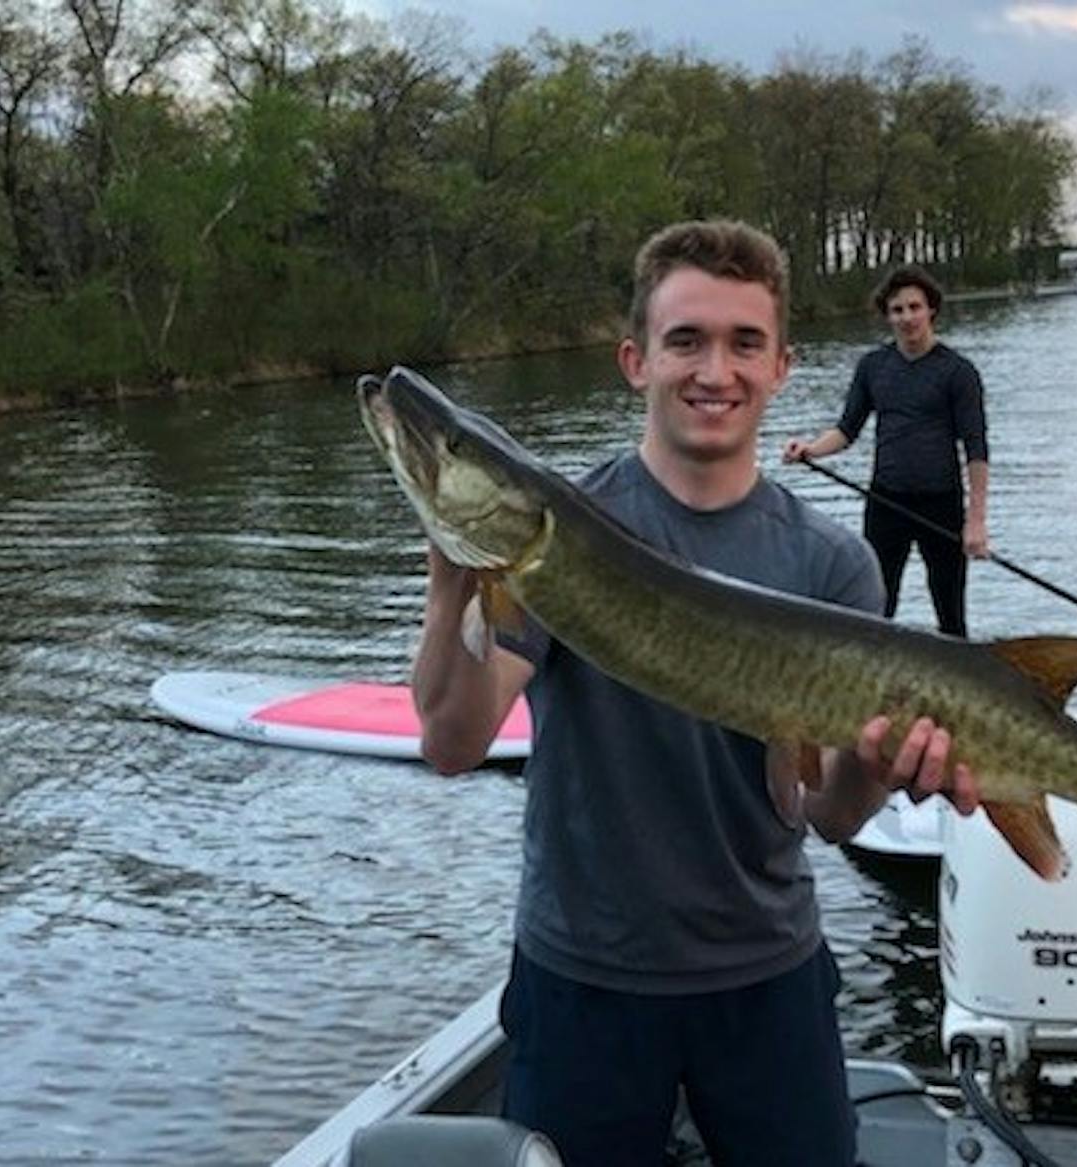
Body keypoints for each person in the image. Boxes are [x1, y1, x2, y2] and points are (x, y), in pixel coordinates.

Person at [410, 220, 981, 1167]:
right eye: (686, 340)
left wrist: (883, 770)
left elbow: (830, 813)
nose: (715, 369)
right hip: (581, 978)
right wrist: (449, 578)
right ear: (635, 360)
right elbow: (451, 740)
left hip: (767, 976)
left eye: (743, 342)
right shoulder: (560, 535)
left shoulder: (831, 564)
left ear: (783, 367)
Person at [783, 265, 990, 638]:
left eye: (914, 307)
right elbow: (847, 430)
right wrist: (810, 450)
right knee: (876, 609)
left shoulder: (959, 372)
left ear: (931, 311)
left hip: (940, 505)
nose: (907, 317)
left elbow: (976, 449)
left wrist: (975, 522)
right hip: (886, 503)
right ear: (887, 316)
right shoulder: (873, 367)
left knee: (951, 615)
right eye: (897, 310)